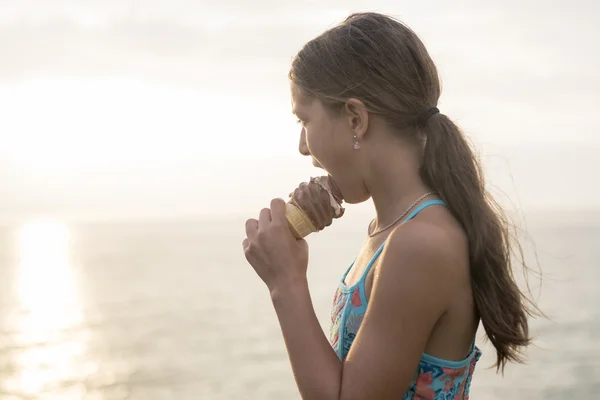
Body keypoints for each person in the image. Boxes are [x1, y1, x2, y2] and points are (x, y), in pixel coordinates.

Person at [242, 12, 535, 400]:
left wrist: (286, 283)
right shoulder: (391, 231)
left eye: (304, 119)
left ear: (355, 118)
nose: (302, 146)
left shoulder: (420, 244)